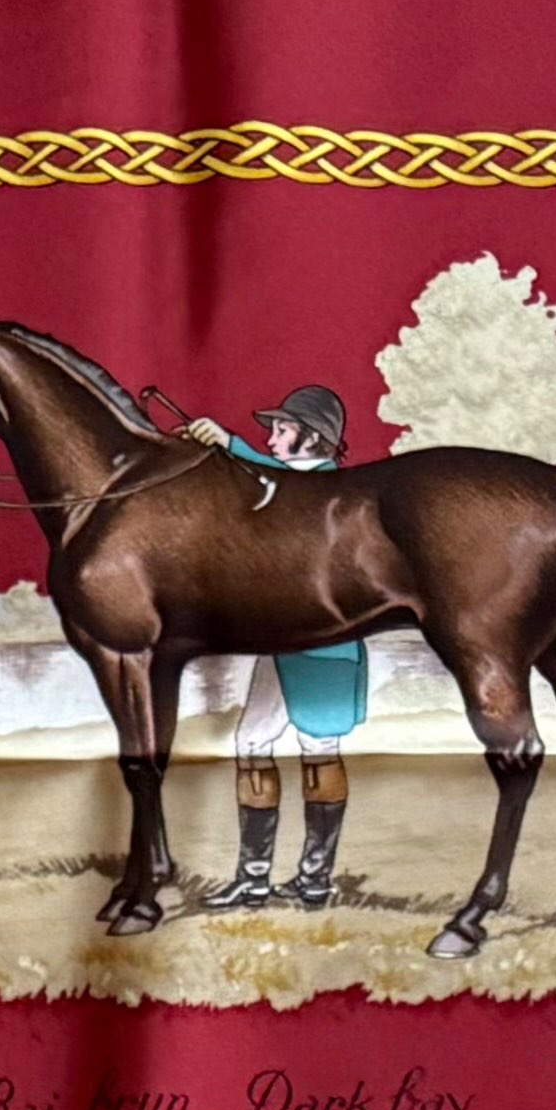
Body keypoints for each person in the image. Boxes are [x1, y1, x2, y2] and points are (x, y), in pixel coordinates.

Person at [182, 384, 366, 913]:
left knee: (311, 749)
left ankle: (305, 879)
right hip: (289, 643)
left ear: (313, 437)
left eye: (283, 429)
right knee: (258, 743)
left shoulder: (326, 489)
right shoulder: (284, 484)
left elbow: (284, 487)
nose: (273, 437)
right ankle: (268, 880)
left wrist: (230, 444)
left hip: (323, 647)